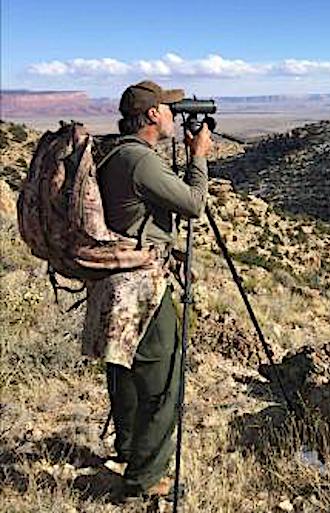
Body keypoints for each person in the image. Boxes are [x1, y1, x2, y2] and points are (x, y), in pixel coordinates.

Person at [80, 79, 211, 499]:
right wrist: (198, 157)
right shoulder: (140, 160)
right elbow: (193, 204)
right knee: (161, 381)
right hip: (141, 288)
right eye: (169, 108)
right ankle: (146, 479)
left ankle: (128, 450)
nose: (174, 115)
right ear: (153, 114)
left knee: (125, 371)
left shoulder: (115, 152)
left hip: (113, 283)